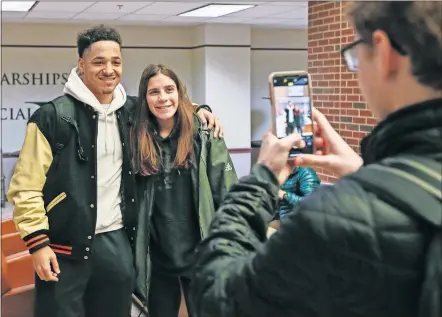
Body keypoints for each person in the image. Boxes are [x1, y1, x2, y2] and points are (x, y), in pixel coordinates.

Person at [190, 2, 442, 317]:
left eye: (354, 53)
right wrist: (368, 174)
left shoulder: (332, 218)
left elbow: (217, 298)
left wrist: (261, 178)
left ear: (384, 53)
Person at [6, 25, 222, 317]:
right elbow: (25, 187)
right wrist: (38, 244)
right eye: (98, 62)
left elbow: (166, 104)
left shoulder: (131, 112)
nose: (109, 69)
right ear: (81, 64)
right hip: (62, 248)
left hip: (116, 244)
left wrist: (200, 109)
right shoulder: (52, 117)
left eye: (116, 62)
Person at [131, 64, 238, 317]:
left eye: (169, 89)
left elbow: (228, 193)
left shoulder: (204, 134)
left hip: (201, 254)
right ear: (144, 99)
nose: (163, 98)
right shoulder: (136, 137)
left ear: (180, 93)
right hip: (157, 257)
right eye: (154, 92)